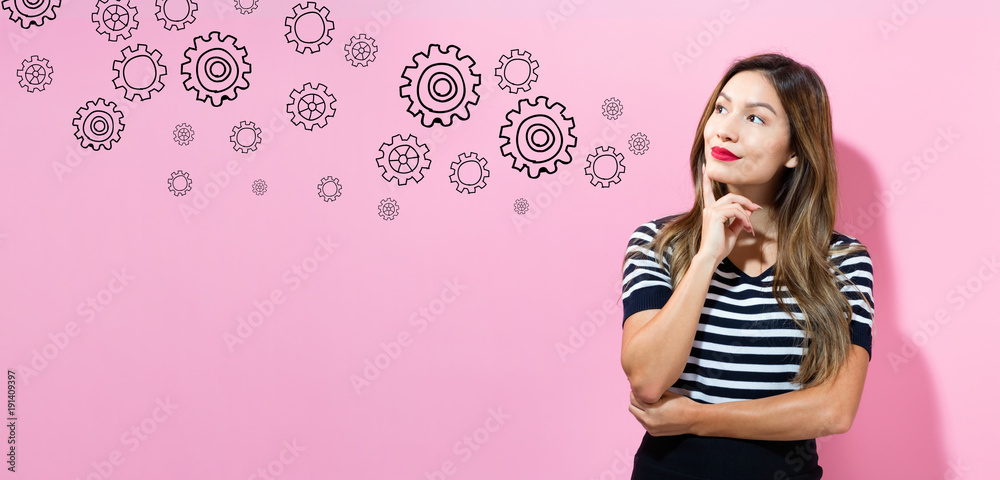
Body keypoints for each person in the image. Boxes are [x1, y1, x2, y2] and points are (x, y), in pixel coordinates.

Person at [619, 53, 875, 480]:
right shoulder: (657, 243)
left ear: (795, 151)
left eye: (755, 119)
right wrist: (705, 258)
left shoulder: (841, 260)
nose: (725, 129)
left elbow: (833, 410)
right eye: (721, 108)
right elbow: (647, 380)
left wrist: (696, 418)